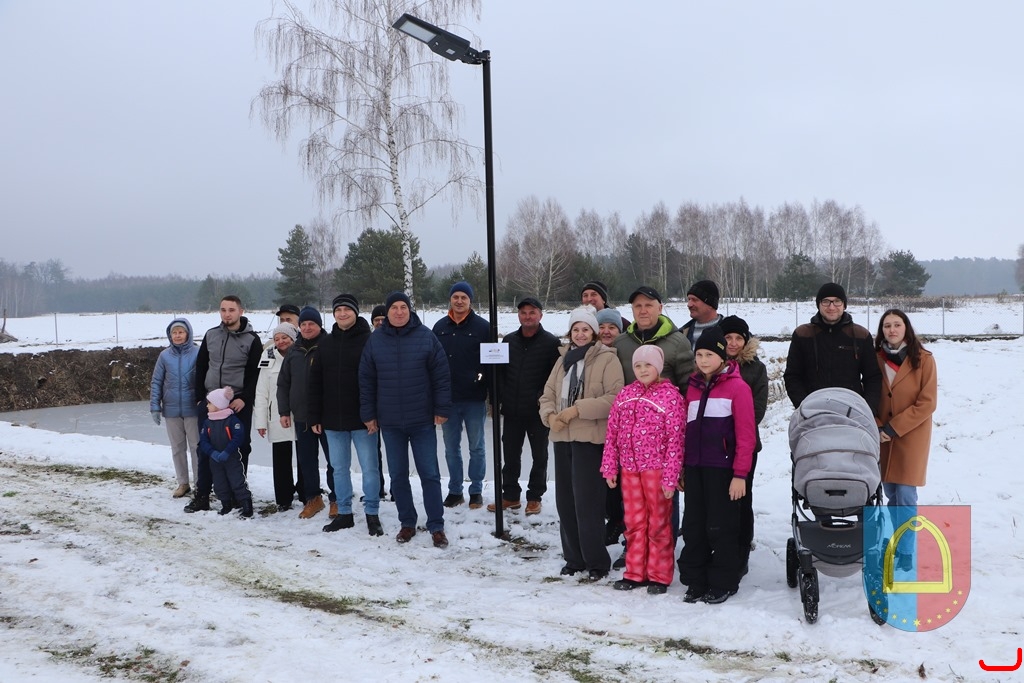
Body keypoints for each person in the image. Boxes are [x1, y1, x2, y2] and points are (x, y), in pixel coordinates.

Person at [360, 291, 452, 548]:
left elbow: (441, 376)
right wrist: (369, 414)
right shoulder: (375, 340)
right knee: (398, 476)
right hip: (390, 422)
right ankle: (407, 522)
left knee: (429, 474)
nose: (399, 312)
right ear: (387, 312)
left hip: (422, 419)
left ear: (410, 310)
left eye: (403, 307)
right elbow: (366, 380)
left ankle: (436, 525)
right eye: (394, 308)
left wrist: (441, 408)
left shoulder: (426, 337)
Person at [539, 306, 624, 582]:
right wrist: (549, 416)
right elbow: (547, 394)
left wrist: (578, 409)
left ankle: (596, 561)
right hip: (562, 437)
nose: (580, 334)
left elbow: (614, 398)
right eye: (576, 329)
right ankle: (574, 558)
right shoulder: (562, 360)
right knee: (566, 502)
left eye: (585, 329)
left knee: (588, 503)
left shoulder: (607, 359)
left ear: (594, 332)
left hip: (589, 439)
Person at [676, 327, 755, 604]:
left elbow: (746, 436)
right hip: (695, 467)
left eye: (709, 355)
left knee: (722, 526)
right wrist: (683, 467)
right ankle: (695, 579)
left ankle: (723, 582)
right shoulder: (693, 388)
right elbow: (685, 431)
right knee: (694, 525)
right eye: (699, 355)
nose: (703, 360)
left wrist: (740, 474)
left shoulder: (738, 388)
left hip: (722, 470)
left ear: (722, 357)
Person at [602, 345, 684, 595]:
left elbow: (676, 441)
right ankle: (635, 572)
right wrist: (610, 466)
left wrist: (670, 477)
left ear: (658, 367)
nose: (643, 370)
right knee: (634, 522)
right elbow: (612, 433)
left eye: (648, 365)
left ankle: (659, 575)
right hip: (629, 469)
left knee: (658, 523)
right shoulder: (625, 394)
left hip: (656, 470)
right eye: (638, 366)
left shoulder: (670, 397)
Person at [309, 294, 383, 536]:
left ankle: (372, 513)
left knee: (370, 468)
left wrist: (374, 413)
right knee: (338, 468)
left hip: (364, 419)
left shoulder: (370, 341)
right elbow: (315, 382)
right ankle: (344, 513)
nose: (342, 314)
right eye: (338, 310)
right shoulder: (325, 343)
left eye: (347, 310)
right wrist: (315, 416)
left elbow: (378, 380)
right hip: (332, 419)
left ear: (356, 312)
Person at [185, 295, 262, 513]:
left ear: (241, 312)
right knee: (205, 448)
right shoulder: (211, 335)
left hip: (236, 403)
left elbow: (255, 374)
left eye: (231, 310)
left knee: (240, 447)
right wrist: (200, 397)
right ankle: (202, 495)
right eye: (223, 310)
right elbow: (201, 366)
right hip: (210, 403)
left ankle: (238, 494)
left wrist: (244, 398)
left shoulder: (252, 340)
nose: (227, 314)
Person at [875, 309, 938, 568]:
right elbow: (868, 393)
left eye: (897, 325)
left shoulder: (923, 359)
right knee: (891, 493)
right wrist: (878, 425)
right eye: (887, 325)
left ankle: (906, 551)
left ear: (906, 328)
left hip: (911, 435)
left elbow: (927, 402)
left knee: (906, 494)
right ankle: (899, 541)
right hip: (882, 435)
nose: (892, 330)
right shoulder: (875, 358)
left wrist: (895, 427)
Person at [488, 297, 560, 515]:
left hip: (538, 412)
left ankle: (535, 496)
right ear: (518, 315)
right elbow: (499, 373)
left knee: (539, 456)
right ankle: (510, 495)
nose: (527, 317)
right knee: (510, 455)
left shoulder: (551, 343)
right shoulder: (509, 341)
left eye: (532, 312)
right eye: (523, 313)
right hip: (512, 410)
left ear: (540, 315)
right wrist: (498, 398)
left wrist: (541, 399)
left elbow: (555, 377)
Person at [432, 281, 490, 509]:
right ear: (450, 299)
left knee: (477, 446)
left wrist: (484, 383)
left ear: (470, 301)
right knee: (451, 447)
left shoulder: (483, 328)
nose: (459, 301)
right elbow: (432, 362)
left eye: (463, 297)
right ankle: (455, 490)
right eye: (455, 297)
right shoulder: (439, 327)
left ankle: (476, 490)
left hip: (474, 397)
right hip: (447, 399)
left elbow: (491, 362)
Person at [784, 282, 882, 415]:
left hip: (851, 413)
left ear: (844, 305)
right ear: (818, 304)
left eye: (837, 301)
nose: (831, 307)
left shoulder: (861, 335)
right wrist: (804, 406)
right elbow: (792, 375)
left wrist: (867, 410)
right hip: (813, 413)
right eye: (826, 301)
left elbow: (872, 377)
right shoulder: (802, 334)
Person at [720, 315, 768, 576]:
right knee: (718, 498)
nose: (733, 342)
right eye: (728, 337)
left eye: (739, 338)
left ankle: (742, 545)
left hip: (745, 445)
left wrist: (729, 428)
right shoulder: (710, 363)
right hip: (714, 446)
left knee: (741, 496)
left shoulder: (755, 369)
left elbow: (757, 409)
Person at [278, 306, 333, 520]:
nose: (307, 327)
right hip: (302, 415)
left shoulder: (329, 345)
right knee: (307, 460)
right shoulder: (294, 351)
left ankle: (337, 498)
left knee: (334, 461)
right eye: (303, 324)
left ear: (319, 325)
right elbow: (283, 383)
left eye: (312, 324)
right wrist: (284, 411)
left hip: (327, 416)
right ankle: (313, 498)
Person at [150, 317, 200, 498]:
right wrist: (155, 406)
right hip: (171, 410)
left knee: (196, 447)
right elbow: (157, 381)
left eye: (181, 332)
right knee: (177, 448)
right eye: (174, 333)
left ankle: (200, 484)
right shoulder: (164, 356)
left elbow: (205, 378)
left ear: (188, 333)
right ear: (170, 335)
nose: (177, 336)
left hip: (193, 409)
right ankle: (183, 483)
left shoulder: (198, 352)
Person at [253, 322, 299, 511]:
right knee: (281, 459)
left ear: (293, 338)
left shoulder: (301, 353)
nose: (281, 341)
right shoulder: (268, 355)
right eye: (277, 338)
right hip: (277, 415)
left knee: (305, 457)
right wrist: (260, 421)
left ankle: (307, 493)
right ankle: (284, 498)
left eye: (285, 337)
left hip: (300, 413)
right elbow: (261, 391)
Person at [613, 286, 694, 387]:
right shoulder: (620, 343)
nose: (643, 311)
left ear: (659, 309)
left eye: (648, 305)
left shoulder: (678, 343)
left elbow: (688, 386)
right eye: (638, 306)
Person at [199, 386, 254, 518]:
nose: (207, 406)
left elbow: (238, 437)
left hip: (231, 457)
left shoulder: (232, 420)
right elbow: (203, 441)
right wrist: (212, 453)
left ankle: (246, 504)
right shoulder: (207, 422)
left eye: (210, 403)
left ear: (218, 405)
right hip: (215, 459)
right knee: (219, 482)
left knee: (237, 480)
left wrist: (228, 451)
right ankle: (225, 504)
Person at [680, 280, 723, 348]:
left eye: (694, 300)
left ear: (710, 304)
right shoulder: (682, 334)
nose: (689, 305)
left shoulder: (730, 331)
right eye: (689, 299)